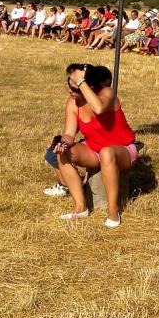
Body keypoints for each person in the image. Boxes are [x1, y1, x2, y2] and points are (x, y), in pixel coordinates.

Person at [54, 64, 138, 228]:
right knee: (63, 152)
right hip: (94, 150)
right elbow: (69, 134)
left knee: (107, 153)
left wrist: (81, 83)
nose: (71, 92)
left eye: (75, 88)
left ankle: (113, 212)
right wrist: (63, 144)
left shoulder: (107, 93)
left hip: (123, 150)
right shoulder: (73, 103)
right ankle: (80, 207)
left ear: (89, 87)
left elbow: (99, 109)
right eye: (68, 85)